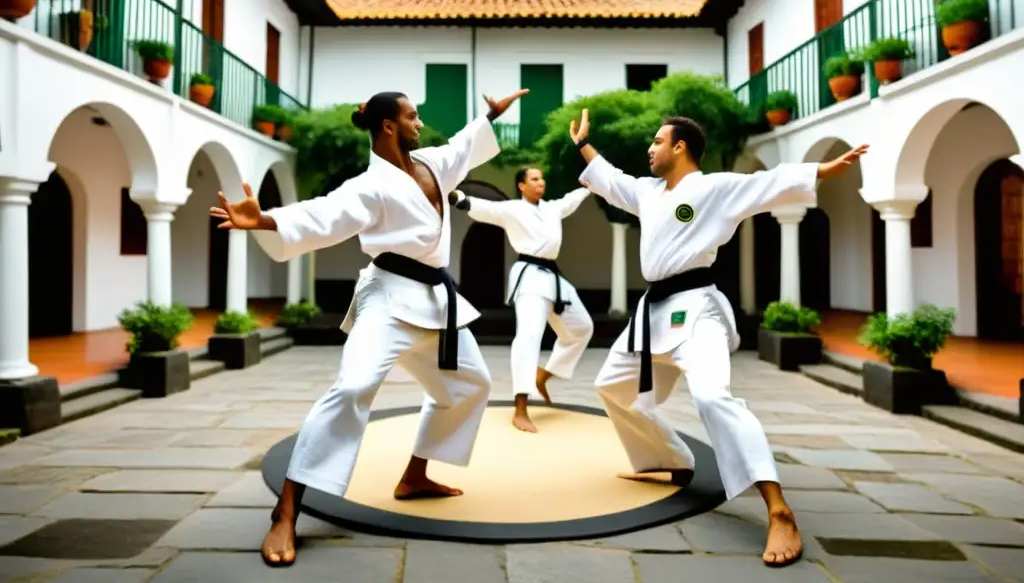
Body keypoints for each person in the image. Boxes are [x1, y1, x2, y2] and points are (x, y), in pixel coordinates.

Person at [210, 89, 527, 567]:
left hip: (438, 302)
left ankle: (415, 475)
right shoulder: (369, 185)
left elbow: (464, 145)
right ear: (387, 126)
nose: (420, 122)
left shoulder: (432, 163)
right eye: (412, 116)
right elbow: (325, 212)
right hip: (388, 297)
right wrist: (267, 220)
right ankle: (287, 509)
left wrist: (489, 115)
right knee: (353, 386)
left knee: (471, 384)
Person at [570, 108, 867, 568]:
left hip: (696, 310)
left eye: (656, 141)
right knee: (610, 387)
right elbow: (609, 179)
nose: (650, 149)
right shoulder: (648, 192)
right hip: (652, 314)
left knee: (712, 399)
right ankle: (669, 458)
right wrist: (583, 143)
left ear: (680, 147)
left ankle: (778, 508)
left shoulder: (713, 188)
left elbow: (766, 185)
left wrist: (820, 169)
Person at [449, 166, 594, 433]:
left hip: (553, 277)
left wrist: (590, 185)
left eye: (542, 178)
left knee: (582, 327)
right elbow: (483, 207)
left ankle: (544, 375)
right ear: (521, 186)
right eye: (535, 179)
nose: (541, 182)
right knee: (529, 336)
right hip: (529, 277)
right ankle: (521, 407)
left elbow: (572, 199)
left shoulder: (552, 208)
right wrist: (457, 197)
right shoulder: (513, 209)